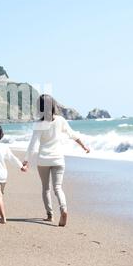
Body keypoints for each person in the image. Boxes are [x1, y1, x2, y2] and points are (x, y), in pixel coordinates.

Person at [23, 94, 90, 227]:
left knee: (46, 188)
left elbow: (33, 145)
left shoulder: (38, 124)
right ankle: (63, 209)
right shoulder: (60, 120)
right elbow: (72, 134)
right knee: (58, 188)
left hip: (43, 160)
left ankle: (50, 215)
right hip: (58, 159)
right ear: (53, 105)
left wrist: (26, 161)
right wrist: (83, 146)